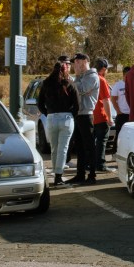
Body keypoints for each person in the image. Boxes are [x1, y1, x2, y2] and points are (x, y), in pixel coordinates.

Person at [36, 58, 79, 187]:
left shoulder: (46, 83)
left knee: (54, 148)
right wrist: (71, 114)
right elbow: (77, 104)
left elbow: (40, 102)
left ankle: (56, 172)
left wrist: (47, 112)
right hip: (66, 118)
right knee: (63, 148)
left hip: (51, 117)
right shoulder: (69, 84)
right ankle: (58, 176)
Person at [68, 53, 99, 185]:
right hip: (78, 114)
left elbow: (79, 89)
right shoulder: (80, 77)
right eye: (74, 62)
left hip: (86, 114)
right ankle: (80, 174)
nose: (75, 65)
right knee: (79, 146)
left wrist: (75, 83)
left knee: (89, 146)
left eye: (77, 62)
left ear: (85, 61)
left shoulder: (92, 76)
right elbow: (74, 91)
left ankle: (92, 175)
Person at [90, 58, 113, 174]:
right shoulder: (101, 80)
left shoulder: (88, 78)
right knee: (101, 141)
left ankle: (89, 163)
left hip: (89, 115)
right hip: (100, 115)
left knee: (90, 142)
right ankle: (100, 164)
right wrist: (110, 118)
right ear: (103, 69)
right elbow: (106, 101)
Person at [110, 66, 131, 152]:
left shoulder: (133, 84)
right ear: (124, 75)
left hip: (131, 114)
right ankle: (115, 153)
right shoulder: (118, 85)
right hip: (121, 114)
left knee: (130, 136)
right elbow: (113, 99)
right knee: (119, 134)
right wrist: (118, 111)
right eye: (128, 75)